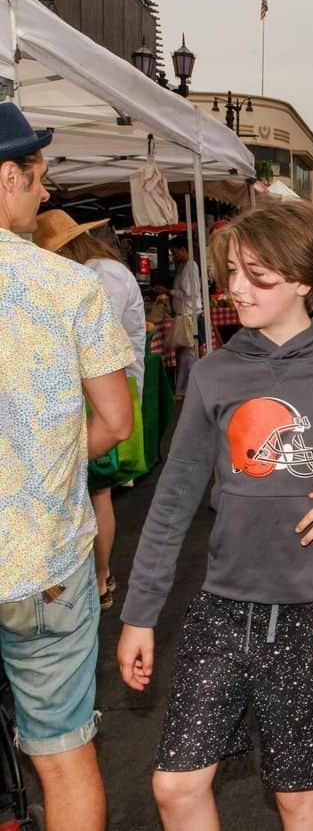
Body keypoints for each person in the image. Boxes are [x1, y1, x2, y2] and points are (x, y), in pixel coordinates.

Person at [116, 200, 313, 831]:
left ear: (302, 279)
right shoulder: (214, 373)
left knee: (298, 796)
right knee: (175, 785)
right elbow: (173, 501)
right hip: (221, 609)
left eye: (256, 275)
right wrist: (139, 616)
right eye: (232, 271)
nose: (236, 288)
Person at [0, 101, 133, 831]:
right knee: (61, 754)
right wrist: (45, 452)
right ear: (8, 175)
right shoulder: (69, 286)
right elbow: (115, 421)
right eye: (39, 177)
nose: (46, 194)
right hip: (42, 557)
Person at [34, 209, 147, 610]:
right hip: (93, 391)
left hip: (104, 392)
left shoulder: (99, 275)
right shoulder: (92, 272)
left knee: (96, 488)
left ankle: (100, 578)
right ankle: (92, 580)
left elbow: (98, 341)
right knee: (88, 491)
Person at [168, 235, 202, 401]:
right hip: (184, 314)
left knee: (187, 352)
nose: (173, 255)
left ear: (183, 249)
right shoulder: (184, 266)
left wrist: (170, 292)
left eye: (174, 252)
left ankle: (185, 389)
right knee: (183, 352)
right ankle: (183, 388)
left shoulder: (190, 266)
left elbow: (189, 291)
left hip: (189, 314)